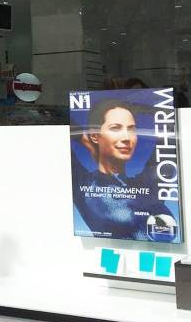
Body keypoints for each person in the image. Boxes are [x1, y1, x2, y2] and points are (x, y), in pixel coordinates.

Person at [73, 99, 173, 240]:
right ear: (94, 135)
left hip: (159, 253)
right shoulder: (83, 185)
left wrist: (144, 108)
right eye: (115, 128)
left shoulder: (148, 184)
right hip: (111, 251)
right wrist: (86, 142)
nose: (127, 137)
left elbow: (169, 132)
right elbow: (58, 117)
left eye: (131, 129)